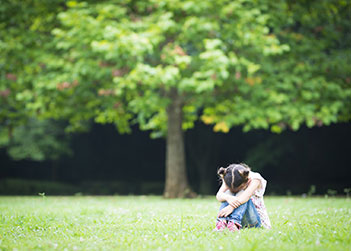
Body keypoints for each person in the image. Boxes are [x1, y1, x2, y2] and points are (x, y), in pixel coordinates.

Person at [214, 163, 271, 232]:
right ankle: (221, 223)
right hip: (240, 218)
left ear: (247, 180)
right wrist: (228, 198)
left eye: (239, 187)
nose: (235, 191)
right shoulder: (230, 178)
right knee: (227, 194)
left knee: (242, 194)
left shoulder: (255, 179)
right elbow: (219, 195)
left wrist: (231, 207)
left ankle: (234, 222)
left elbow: (245, 197)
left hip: (253, 220)